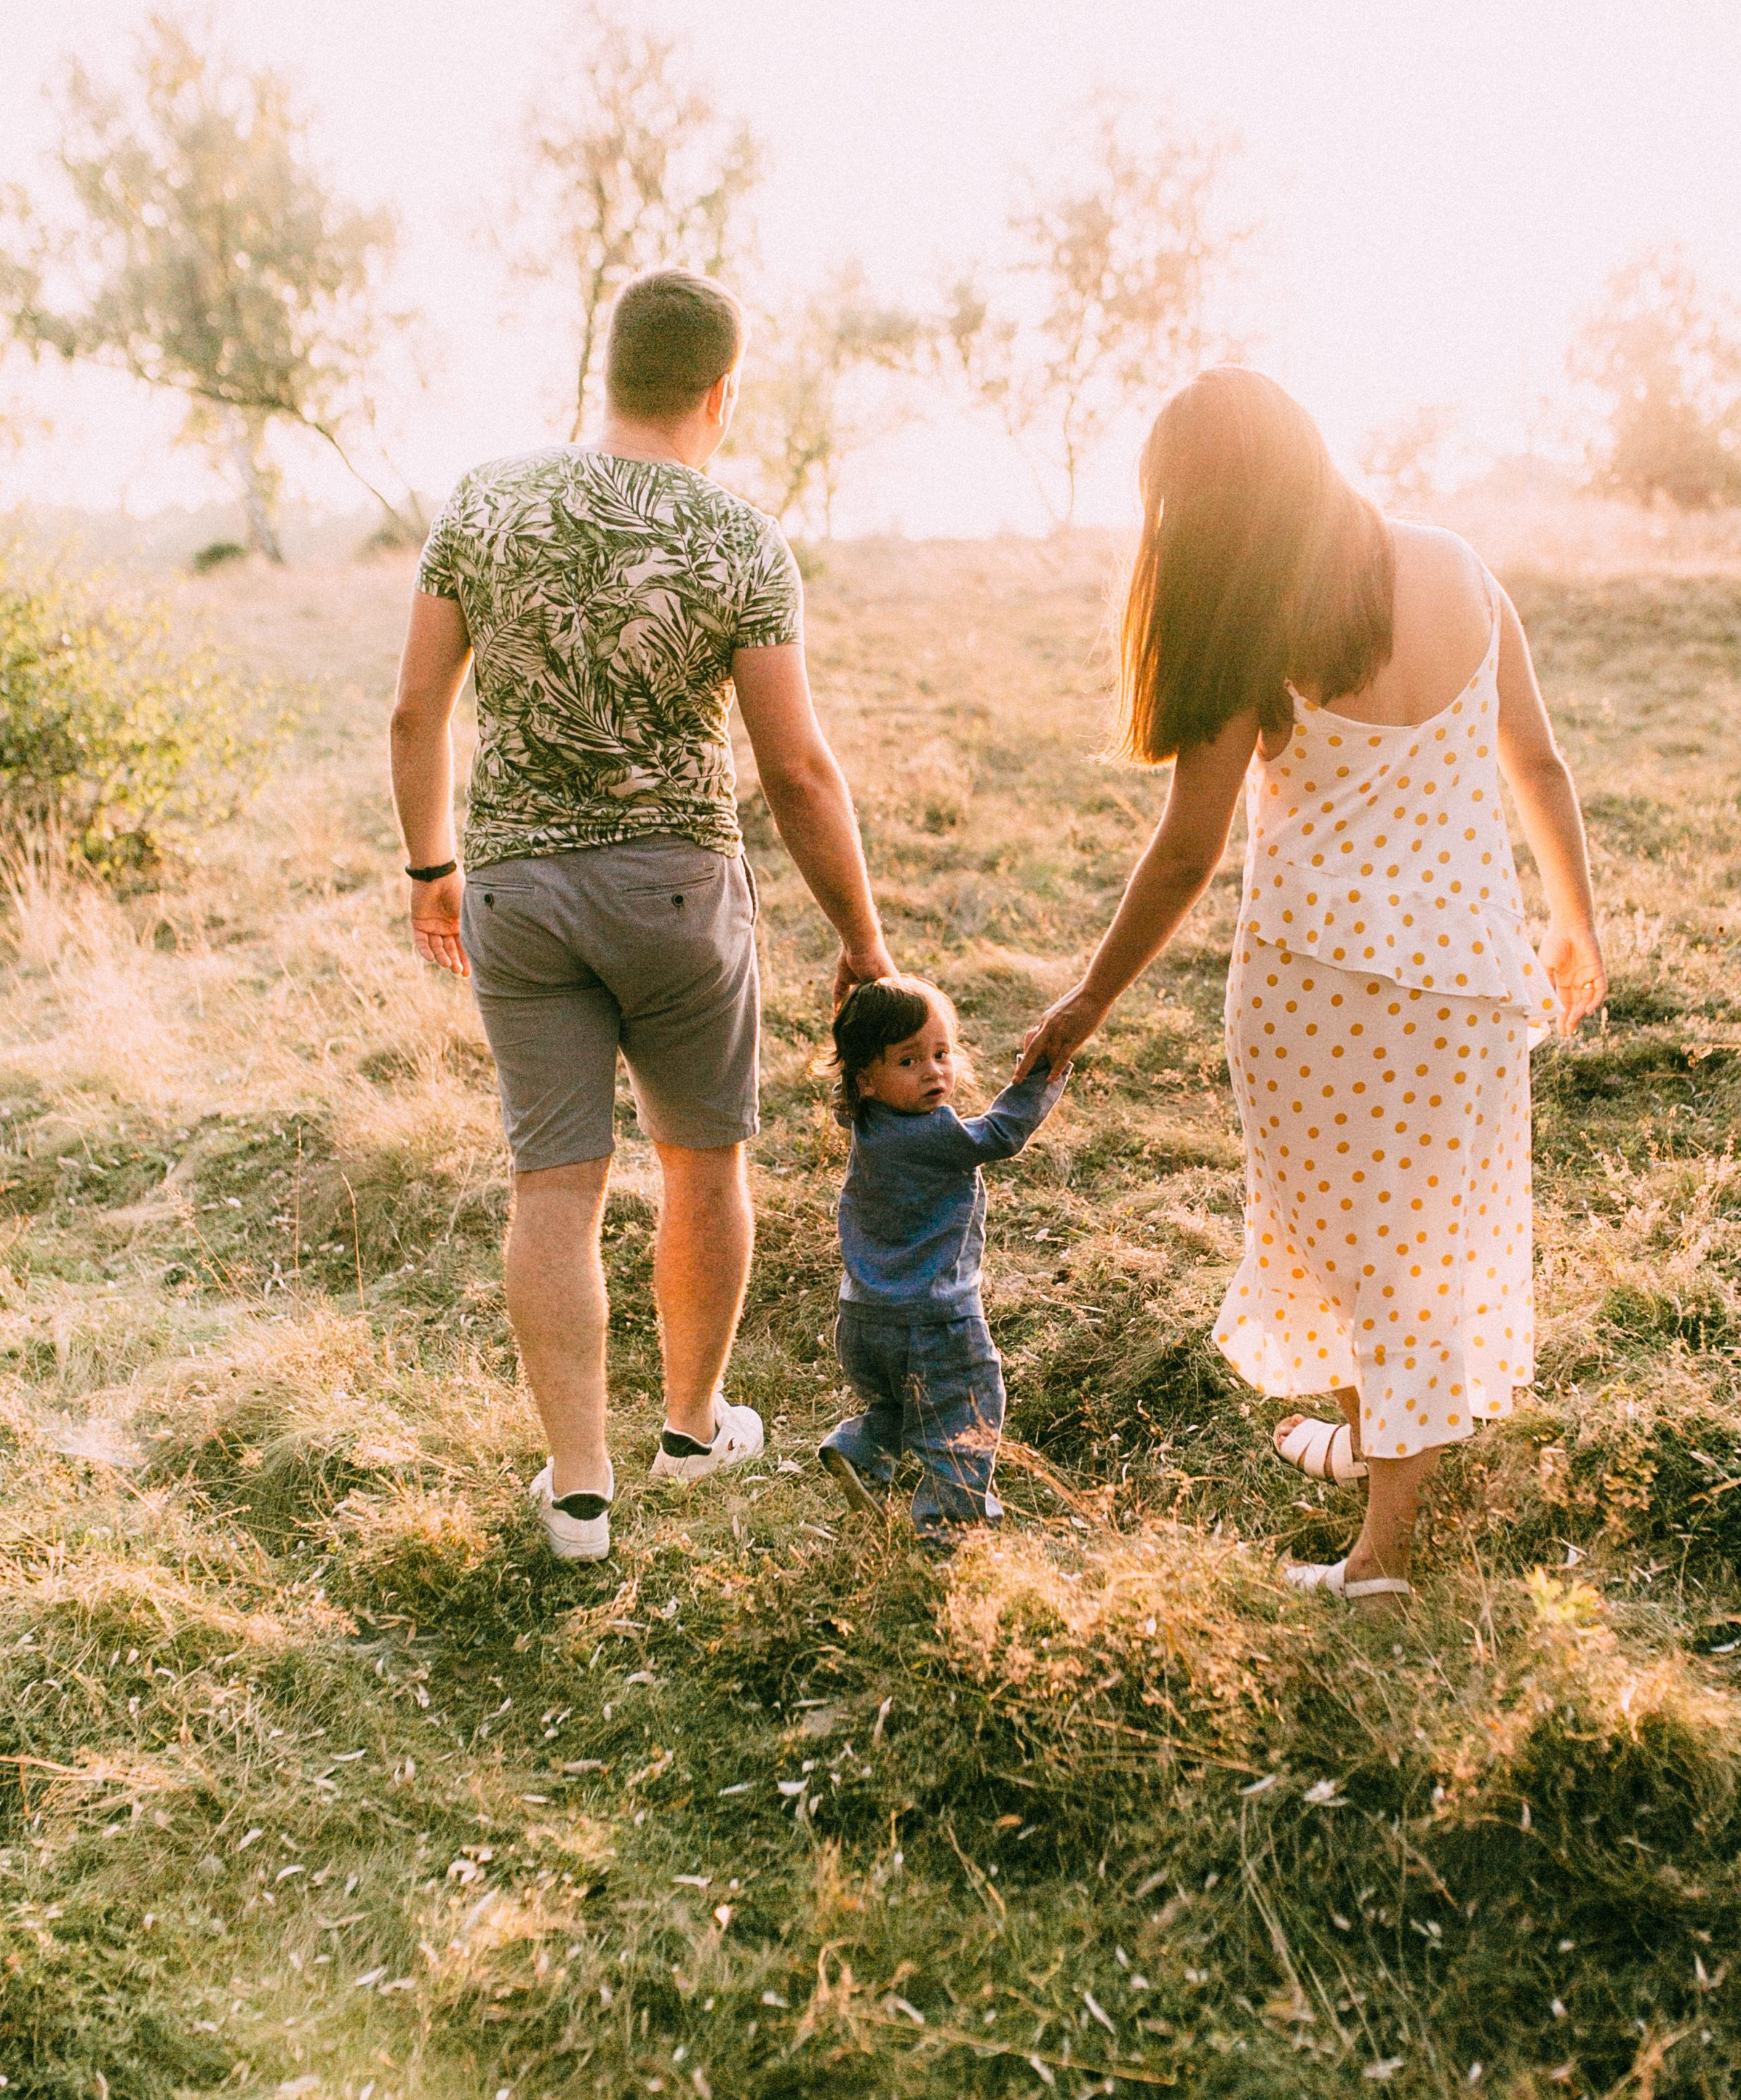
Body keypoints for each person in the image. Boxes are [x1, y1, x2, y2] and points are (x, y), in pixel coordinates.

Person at [1018, 367, 1605, 1610]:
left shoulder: (1246, 622)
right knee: (1430, 1246)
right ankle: (1380, 1456)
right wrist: (1573, 920)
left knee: (1349, 1250)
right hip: (1464, 985)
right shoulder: (1458, 567)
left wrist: (1085, 1003)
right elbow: (1538, 760)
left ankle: (1381, 1559)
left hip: (1313, 992)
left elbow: (1187, 854)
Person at [389, 268, 891, 1562]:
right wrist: (864, 938)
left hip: (514, 886)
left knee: (552, 1181)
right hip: (676, 889)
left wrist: (428, 868)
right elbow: (795, 770)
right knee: (701, 1159)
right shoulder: (739, 542)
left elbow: (414, 713)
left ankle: (575, 1491)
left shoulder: (484, 502)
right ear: (721, 393)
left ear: (607, 371)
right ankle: (694, 1424)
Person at [818, 977, 1067, 1549]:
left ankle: (861, 1449)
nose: (933, 1072)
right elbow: (1001, 1135)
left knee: (901, 1401)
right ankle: (953, 1532)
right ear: (867, 1080)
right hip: (935, 1322)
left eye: (941, 1053)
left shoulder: (866, 1121)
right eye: (909, 1060)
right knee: (964, 1415)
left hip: (861, 1322)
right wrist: (1040, 1075)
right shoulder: (930, 1133)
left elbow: (860, 1049)